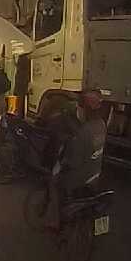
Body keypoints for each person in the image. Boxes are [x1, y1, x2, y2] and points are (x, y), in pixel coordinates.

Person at [47, 90, 107, 230]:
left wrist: (61, 165)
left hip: (81, 177)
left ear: (85, 110)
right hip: (96, 172)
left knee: (54, 182)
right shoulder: (101, 125)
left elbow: (72, 161)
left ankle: (55, 222)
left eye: (79, 107)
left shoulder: (83, 132)